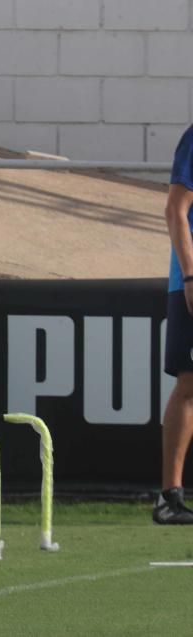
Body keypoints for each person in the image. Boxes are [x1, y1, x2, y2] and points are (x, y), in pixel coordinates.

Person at [157, 123, 193, 524]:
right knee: (190, 383)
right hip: (191, 280)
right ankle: (169, 497)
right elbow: (175, 210)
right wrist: (190, 275)